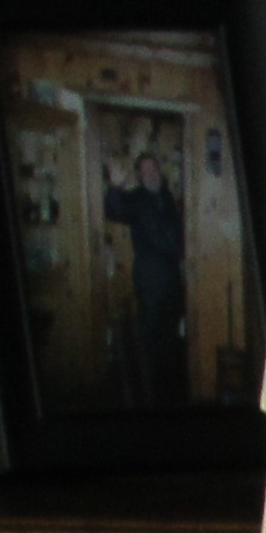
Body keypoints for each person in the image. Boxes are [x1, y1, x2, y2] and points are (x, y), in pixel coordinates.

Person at [102, 147, 188, 403]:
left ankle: (170, 390)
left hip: (172, 275)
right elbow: (114, 210)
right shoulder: (136, 198)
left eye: (154, 168)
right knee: (149, 333)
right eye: (146, 169)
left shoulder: (167, 196)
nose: (151, 173)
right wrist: (115, 186)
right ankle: (148, 394)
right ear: (139, 175)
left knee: (170, 332)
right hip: (149, 276)